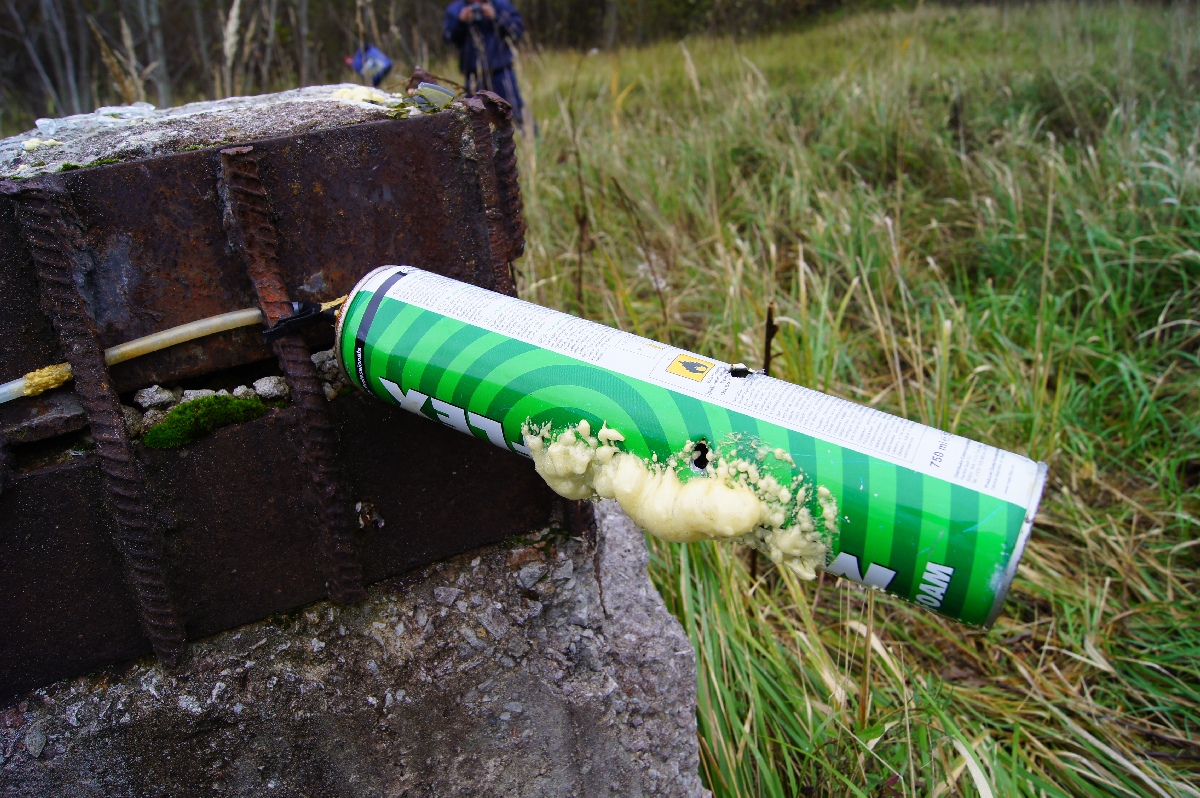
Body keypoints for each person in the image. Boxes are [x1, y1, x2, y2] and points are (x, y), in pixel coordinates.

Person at [443, 0, 528, 127]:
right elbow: (448, 39)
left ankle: (530, 142)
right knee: (473, 121)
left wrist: (496, 17)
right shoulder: (456, 10)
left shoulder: (500, 5)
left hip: (502, 74)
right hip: (473, 77)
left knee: (516, 114)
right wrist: (460, 22)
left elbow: (517, 32)